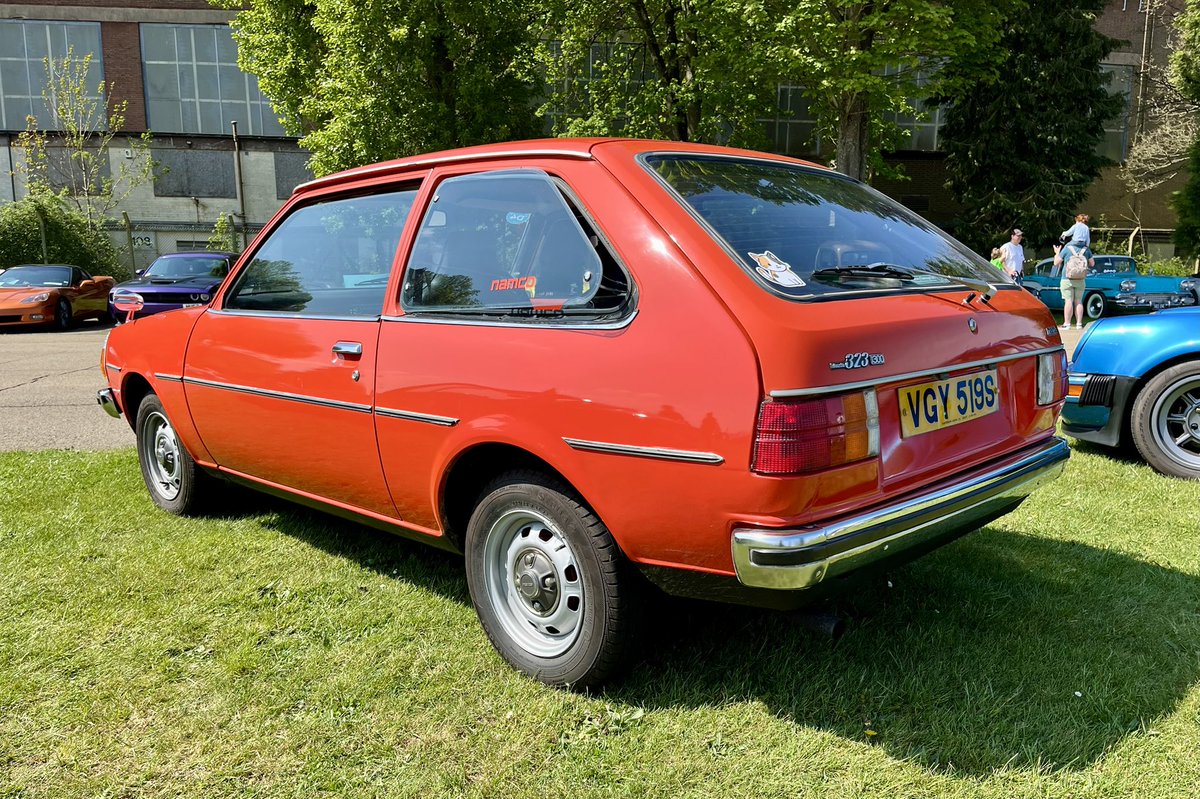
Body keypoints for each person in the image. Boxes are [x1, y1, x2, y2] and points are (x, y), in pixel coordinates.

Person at [1053, 241, 1094, 329]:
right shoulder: (1086, 249)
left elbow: (1056, 263)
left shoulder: (1067, 249)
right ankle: (1079, 324)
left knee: (1068, 301)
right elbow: (1092, 263)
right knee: (1078, 301)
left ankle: (1067, 324)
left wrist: (1057, 253)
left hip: (1067, 279)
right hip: (1080, 279)